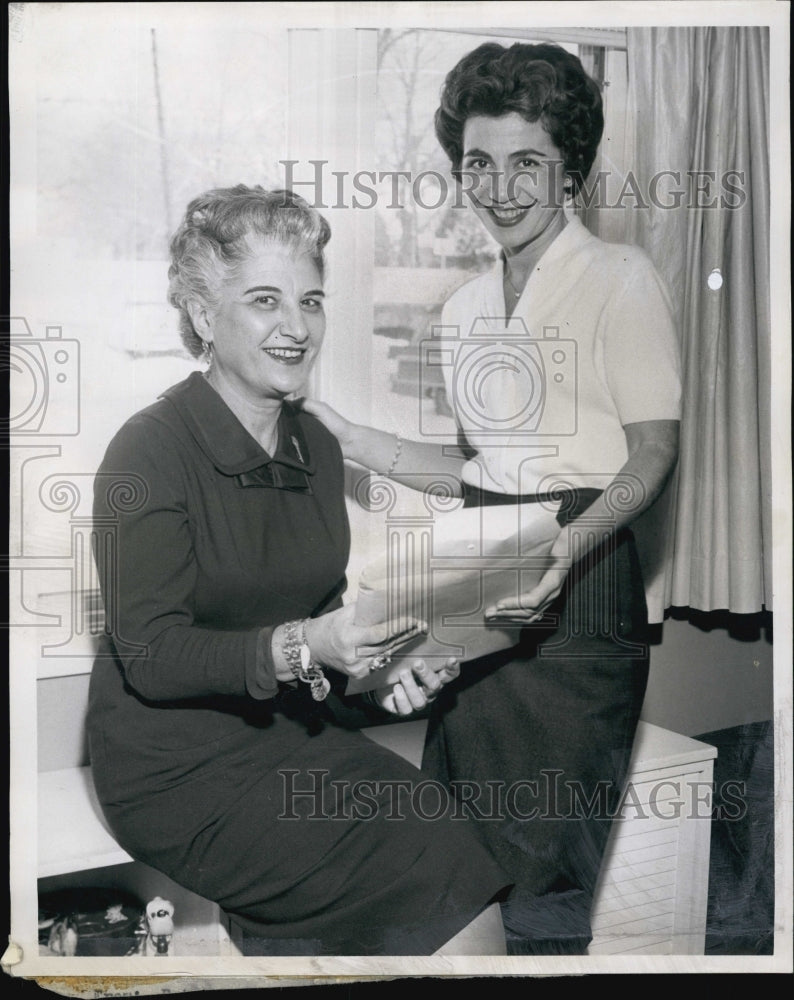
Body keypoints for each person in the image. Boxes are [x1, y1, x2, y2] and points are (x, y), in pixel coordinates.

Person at [303, 42, 682, 954]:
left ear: (570, 170)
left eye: (527, 163)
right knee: (459, 850)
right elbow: (475, 472)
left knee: (549, 873)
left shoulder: (622, 280)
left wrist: (572, 541)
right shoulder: (466, 308)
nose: (501, 187)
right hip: (481, 576)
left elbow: (653, 453)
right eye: (480, 162)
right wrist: (356, 439)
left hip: (583, 588)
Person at [86, 185, 511, 957]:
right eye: (265, 301)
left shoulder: (315, 447)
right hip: (170, 769)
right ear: (206, 317)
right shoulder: (146, 451)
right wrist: (308, 645)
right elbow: (152, 655)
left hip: (284, 734)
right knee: (422, 859)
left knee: (441, 838)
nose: (297, 327)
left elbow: (318, 631)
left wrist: (382, 675)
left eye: (311, 301)